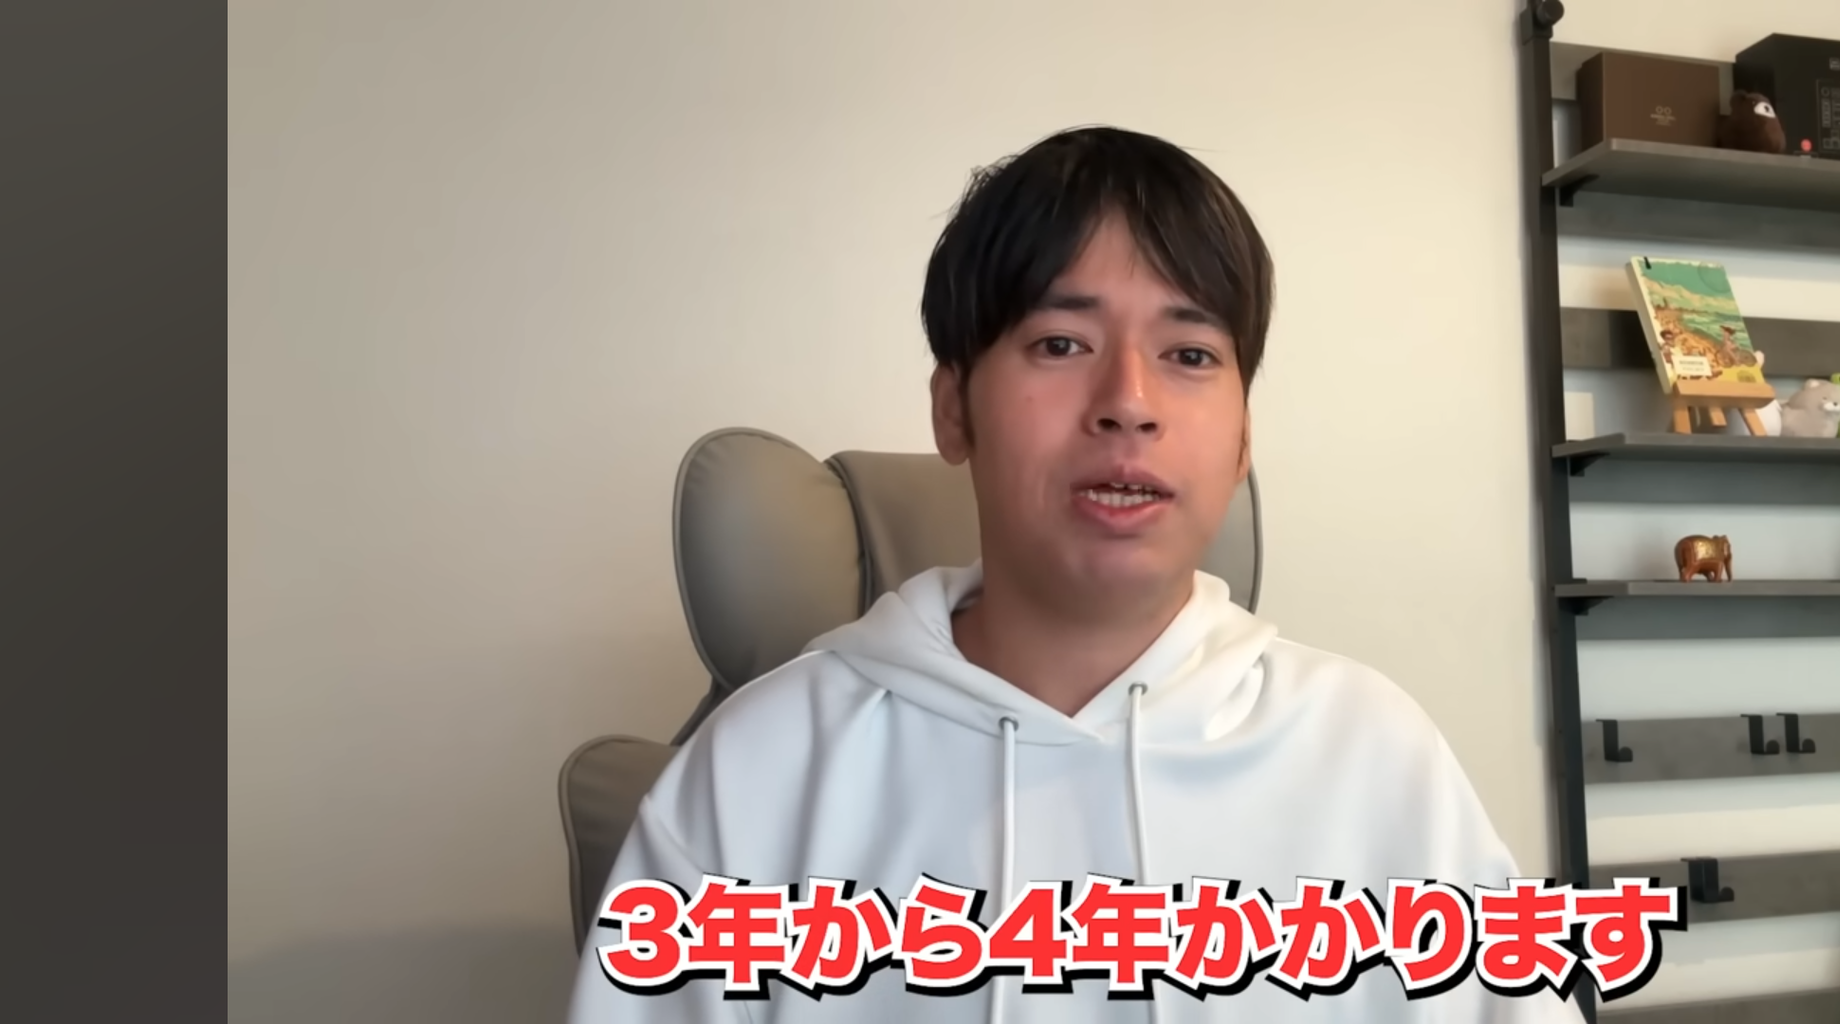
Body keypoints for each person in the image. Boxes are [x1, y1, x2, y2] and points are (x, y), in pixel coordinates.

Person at [567, 126, 1585, 1023]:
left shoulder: (1371, 756)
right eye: (1060, 342)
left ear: (1241, 439)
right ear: (953, 409)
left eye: (1190, 354)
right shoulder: (759, 773)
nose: (1128, 402)